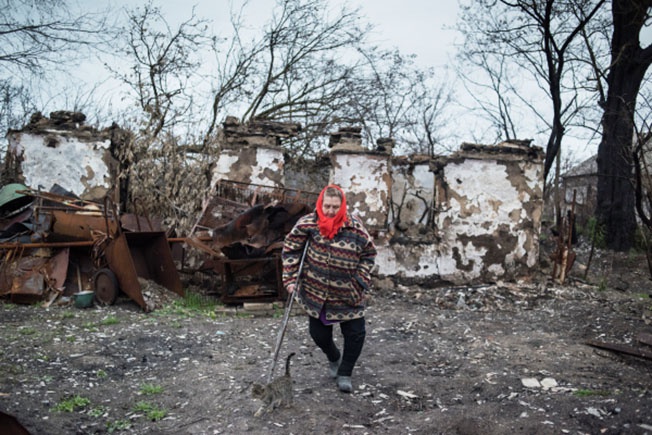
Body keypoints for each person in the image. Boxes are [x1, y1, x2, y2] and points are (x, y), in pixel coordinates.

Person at [282, 184, 377, 393]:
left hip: (348, 293)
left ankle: (345, 371)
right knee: (319, 334)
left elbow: (369, 254)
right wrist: (290, 279)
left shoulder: (355, 228)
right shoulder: (308, 223)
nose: (331, 211)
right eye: (327, 206)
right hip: (317, 292)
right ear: (320, 204)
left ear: (343, 205)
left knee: (355, 334)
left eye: (336, 207)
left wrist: (360, 280)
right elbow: (291, 249)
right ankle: (333, 356)